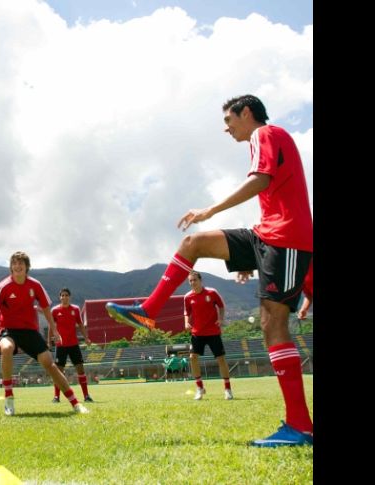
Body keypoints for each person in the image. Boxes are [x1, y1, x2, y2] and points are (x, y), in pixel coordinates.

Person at [105, 95, 312, 447]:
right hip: (267, 236)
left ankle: (300, 426)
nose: (226, 128)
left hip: (286, 239)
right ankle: (148, 311)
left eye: (229, 120)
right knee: (193, 243)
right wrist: (250, 258)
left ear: (247, 113)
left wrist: (210, 210)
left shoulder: (265, 134)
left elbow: (261, 180)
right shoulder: (265, 140)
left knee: (273, 324)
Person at [0, 251, 88, 416]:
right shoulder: (3, 287)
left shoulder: (35, 285)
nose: (17, 266)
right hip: (9, 330)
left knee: (49, 363)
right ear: (11, 267)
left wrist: (55, 330)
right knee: (6, 348)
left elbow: (46, 308)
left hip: (30, 331)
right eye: (14, 263)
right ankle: (9, 397)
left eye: (21, 263)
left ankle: (75, 403)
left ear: (27, 267)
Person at [184, 271, 233, 400]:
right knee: (192, 357)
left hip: (213, 332)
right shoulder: (187, 297)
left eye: (195, 280)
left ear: (200, 280)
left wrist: (221, 319)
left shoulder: (212, 292)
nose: (192, 282)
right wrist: (186, 322)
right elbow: (186, 312)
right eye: (190, 281)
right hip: (197, 333)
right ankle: (200, 388)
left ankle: (227, 389)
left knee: (221, 359)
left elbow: (221, 306)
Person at [49, 288, 93, 403]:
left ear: (70, 297)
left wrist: (86, 338)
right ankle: (56, 397)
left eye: (66, 295)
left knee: (80, 369)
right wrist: (49, 341)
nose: (64, 297)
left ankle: (86, 396)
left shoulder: (75, 309)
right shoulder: (55, 310)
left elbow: (81, 325)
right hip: (60, 345)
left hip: (74, 344)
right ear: (60, 297)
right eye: (62, 295)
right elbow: (51, 326)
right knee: (58, 372)